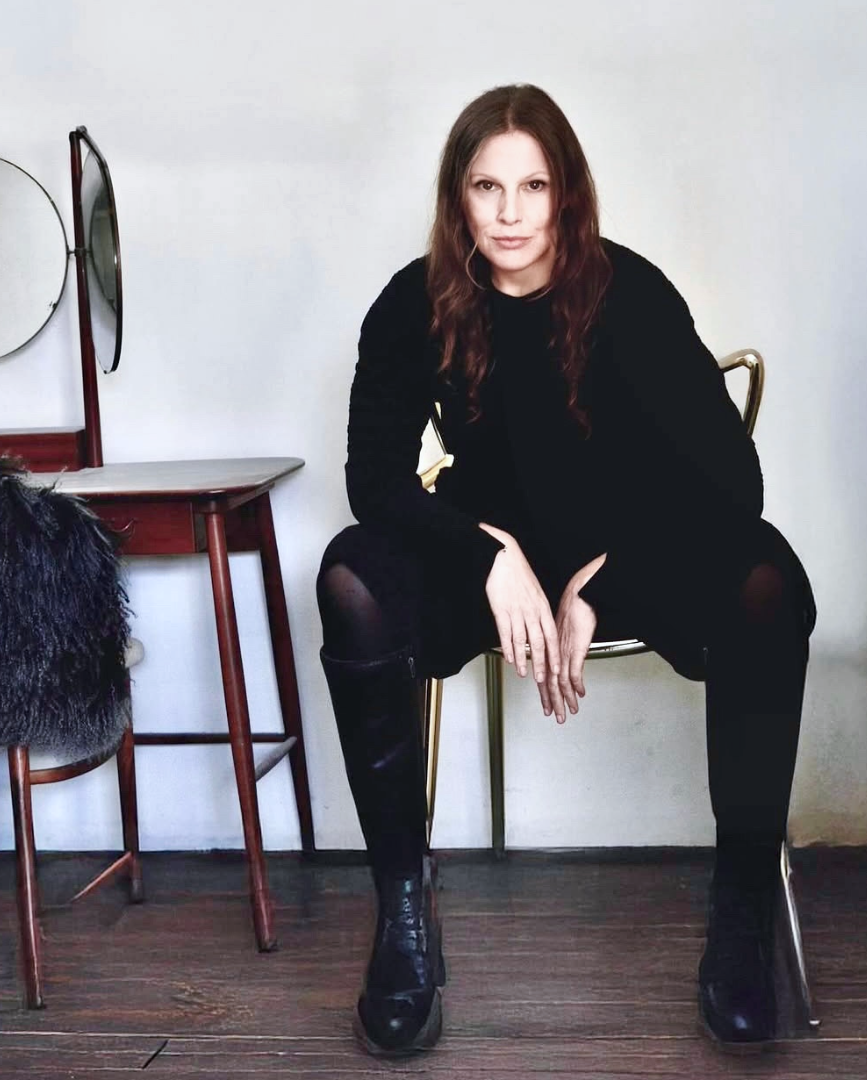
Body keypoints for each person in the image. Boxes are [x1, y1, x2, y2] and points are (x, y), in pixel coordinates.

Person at [317, 84, 815, 1057]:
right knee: (352, 579)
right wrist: (488, 554)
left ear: (566, 194)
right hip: (484, 562)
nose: (509, 212)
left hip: (630, 552)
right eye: (486, 186)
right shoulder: (413, 303)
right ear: (456, 198)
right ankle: (405, 924)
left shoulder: (629, 292)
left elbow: (729, 478)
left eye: (532, 185)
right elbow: (372, 481)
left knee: (767, 579)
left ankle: (743, 915)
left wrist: (601, 575)